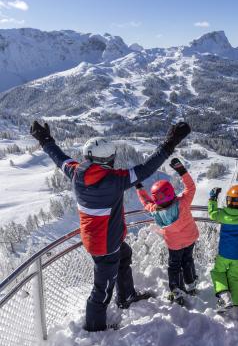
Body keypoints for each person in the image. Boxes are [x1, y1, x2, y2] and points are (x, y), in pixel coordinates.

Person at [30, 120, 191, 331]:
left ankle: (126, 296)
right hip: (104, 246)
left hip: (99, 239)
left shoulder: (77, 172)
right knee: (102, 289)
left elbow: (59, 158)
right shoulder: (114, 180)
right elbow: (146, 169)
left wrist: (45, 140)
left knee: (125, 255)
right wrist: (170, 143)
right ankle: (95, 329)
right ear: (107, 160)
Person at [135, 158, 198, 306]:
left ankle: (175, 289)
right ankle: (191, 285)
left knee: (174, 266)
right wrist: (181, 170)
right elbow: (191, 187)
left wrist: (138, 187)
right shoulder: (183, 203)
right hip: (189, 239)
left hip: (174, 245)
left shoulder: (155, 211)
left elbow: (146, 202)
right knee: (188, 260)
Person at [208, 185, 238, 316]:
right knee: (235, 279)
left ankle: (224, 295)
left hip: (224, 254)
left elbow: (212, 214)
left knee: (218, 272)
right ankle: (236, 310)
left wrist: (213, 198)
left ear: (229, 200)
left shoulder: (222, 214)